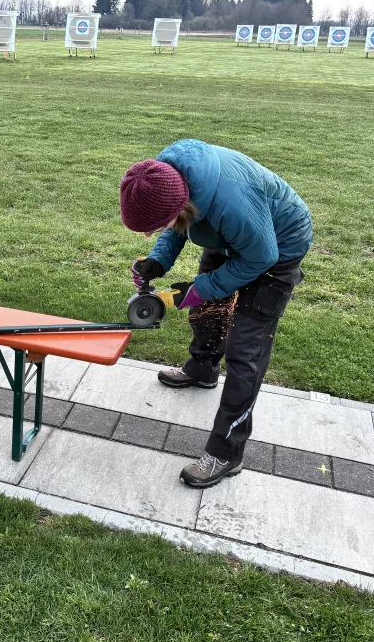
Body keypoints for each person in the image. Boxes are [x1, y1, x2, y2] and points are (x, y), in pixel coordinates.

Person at [120, 139, 312, 488]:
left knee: (245, 353)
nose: (149, 232)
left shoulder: (231, 203)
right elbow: (177, 222)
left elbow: (260, 256)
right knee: (207, 310)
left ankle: (227, 452)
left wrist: (199, 289)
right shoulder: (163, 177)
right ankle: (203, 369)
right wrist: (158, 260)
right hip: (232, 236)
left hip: (276, 248)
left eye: (153, 227)